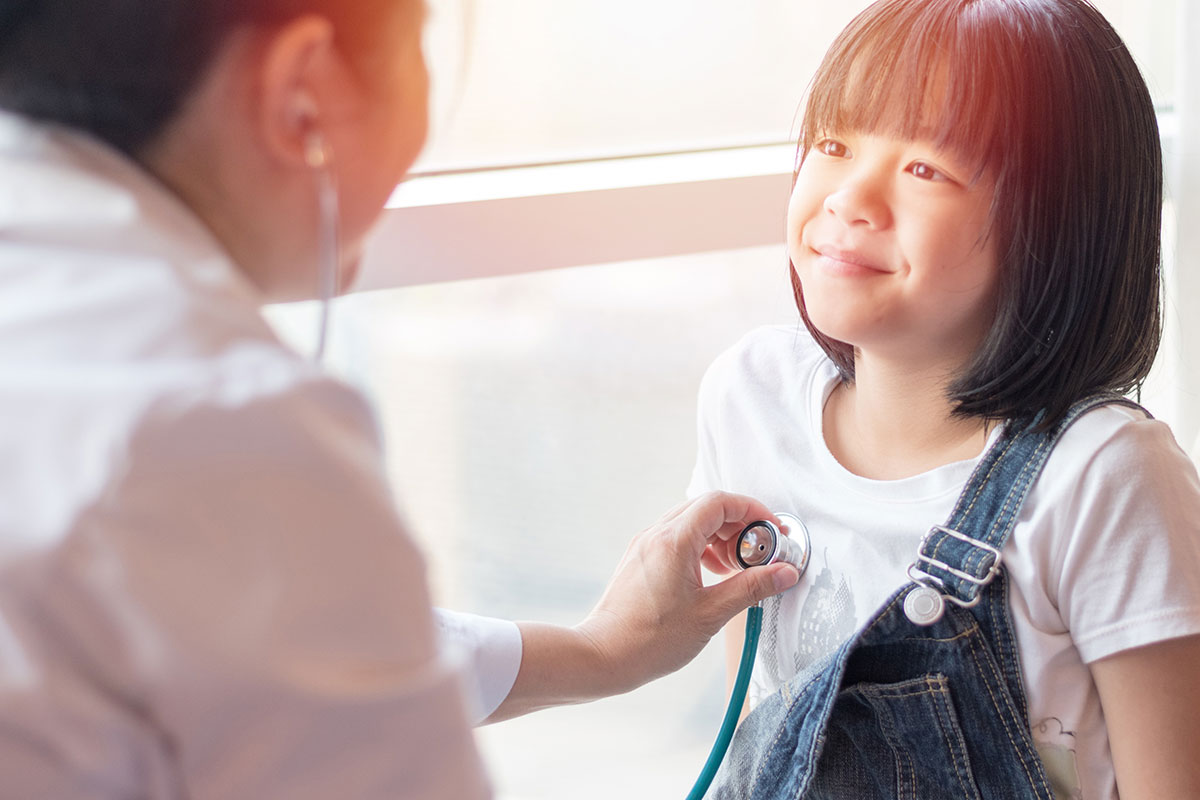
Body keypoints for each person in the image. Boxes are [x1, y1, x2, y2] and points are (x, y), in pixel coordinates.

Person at [0, 0, 801, 797]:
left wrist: (600, 652)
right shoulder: (218, 419)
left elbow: (273, 650)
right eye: (423, 51)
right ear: (303, 91)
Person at [690, 0, 1200, 797]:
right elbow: (756, 736)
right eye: (833, 143)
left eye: (924, 168)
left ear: (1054, 224)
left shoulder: (1104, 475)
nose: (850, 197)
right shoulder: (750, 399)